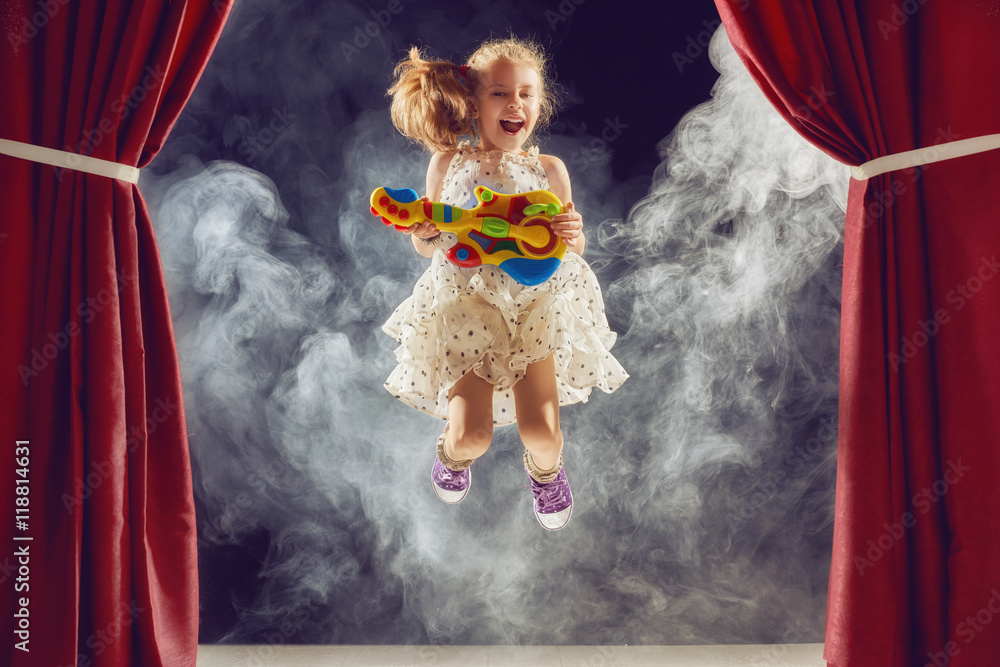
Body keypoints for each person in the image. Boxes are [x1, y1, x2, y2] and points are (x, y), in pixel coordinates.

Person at [381, 37, 627, 530]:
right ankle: (451, 457)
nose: (516, 104)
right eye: (500, 93)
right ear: (473, 103)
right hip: (465, 303)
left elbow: (564, 247)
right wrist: (424, 233)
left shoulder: (549, 169)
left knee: (543, 434)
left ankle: (546, 473)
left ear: (540, 102)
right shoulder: (448, 163)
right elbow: (429, 244)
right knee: (472, 435)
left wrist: (573, 235)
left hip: (533, 306)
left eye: (527, 94)